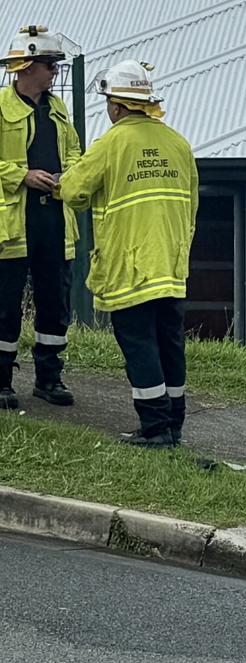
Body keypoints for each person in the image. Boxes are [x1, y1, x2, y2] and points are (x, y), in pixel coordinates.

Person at [55, 60, 197, 447]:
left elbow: (74, 191)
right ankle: (175, 424)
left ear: (117, 106)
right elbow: (192, 206)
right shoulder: (178, 143)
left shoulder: (113, 142)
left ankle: (154, 428)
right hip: (170, 264)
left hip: (130, 264)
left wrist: (58, 183)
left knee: (139, 344)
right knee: (170, 343)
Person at [0, 26, 82, 410]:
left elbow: (76, 153)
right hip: (14, 224)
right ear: (28, 67)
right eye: (50, 65)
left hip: (54, 219)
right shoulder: (1, 108)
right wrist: (23, 175)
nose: (54, 73)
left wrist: (70, 177)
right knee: (5, 303)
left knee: (55, 302)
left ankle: (49, 379)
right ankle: (2, 381)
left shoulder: (59, 109)